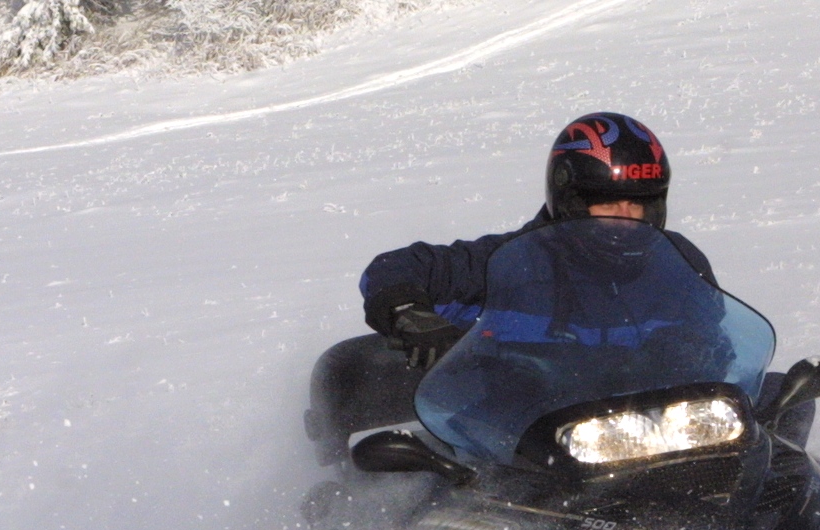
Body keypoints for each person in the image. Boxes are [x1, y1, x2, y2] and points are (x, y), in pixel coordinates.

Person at [307, 112, 719, 462]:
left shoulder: (676, 264)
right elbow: (397, 267)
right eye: (606, 202)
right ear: (570, 199)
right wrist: (409, 314)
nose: (625, 217)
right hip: (511, 449)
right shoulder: (511, 264)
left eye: (638, 202)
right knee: (437, 502)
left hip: (649, 445)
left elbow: (717, 343)